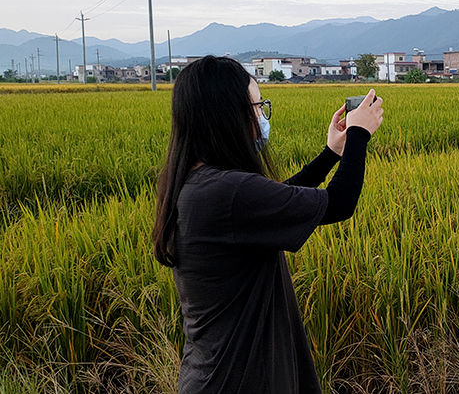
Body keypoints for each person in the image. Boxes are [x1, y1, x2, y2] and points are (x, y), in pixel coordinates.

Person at [151, 55, 383, 393]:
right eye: (257, 107)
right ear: (228, 115)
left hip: (214, 375)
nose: (261, 116)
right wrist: (360, 134)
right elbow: (340, 203)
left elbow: (276, 198)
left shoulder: (200, 183)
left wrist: (332, 152)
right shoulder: (228, 191)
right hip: (237, 380)